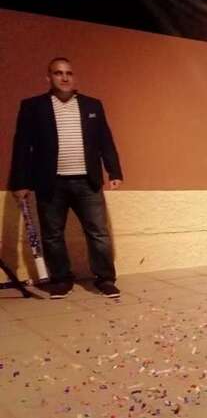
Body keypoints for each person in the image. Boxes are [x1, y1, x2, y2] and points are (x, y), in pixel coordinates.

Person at [8, 57, 123, 299]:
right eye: (58, 73)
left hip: (88, 182)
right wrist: (20, 182)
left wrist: (114, 171)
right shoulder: (33, 106)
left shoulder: (92, 105)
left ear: (74, 77)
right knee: (52, 235)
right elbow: (22, 146)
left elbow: (105, 140)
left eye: (69, 73)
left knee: (98, 233)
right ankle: (61, 280)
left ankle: (105, 279)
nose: (64, 77)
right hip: (51, 183)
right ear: (48, 77)